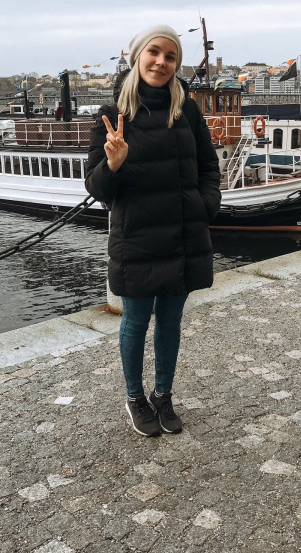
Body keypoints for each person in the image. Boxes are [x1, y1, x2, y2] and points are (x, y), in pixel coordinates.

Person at [85, 24, 221, 437]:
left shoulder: (187, 110)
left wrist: (206, 205)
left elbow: (209, 165)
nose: (161, 62)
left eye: (170, 56)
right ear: (137, 57)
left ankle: (163, 395)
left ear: (176, 64)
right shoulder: (113, 115)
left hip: (183, 234)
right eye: (154, 52)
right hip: (138, 238)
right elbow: (96, 188)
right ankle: (134, 398)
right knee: (136, 321)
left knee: (171, 321)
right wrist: (113, 164)